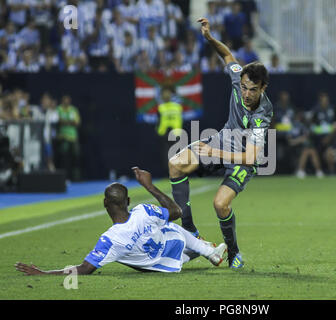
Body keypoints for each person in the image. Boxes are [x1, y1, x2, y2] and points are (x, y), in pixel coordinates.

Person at [168, 17, 273, 269]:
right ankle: (191, 232)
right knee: (176, 164)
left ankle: (234, 251)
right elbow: (227, 55)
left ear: (263, 88)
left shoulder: (263, 113)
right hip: (221, 141)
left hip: (242, 160)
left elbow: (252, 158)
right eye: (245, 88)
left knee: (220, 204)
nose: (247, 94)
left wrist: (213, 151)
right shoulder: (238, 78)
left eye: (253, 90)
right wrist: (209, 37)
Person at [14, 167, 227, 275]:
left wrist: (44, 273)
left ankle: (205, 249)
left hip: (160, 267)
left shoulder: (109, 240)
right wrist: (149, 186)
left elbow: (84, 269)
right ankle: (206, 249)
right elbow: (176, 211)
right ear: (128, 201)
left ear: (105, 204)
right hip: (170, 248)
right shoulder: (143, 210)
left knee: (167, 231)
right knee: (170, 225)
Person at [55, 95, 81, 181]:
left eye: (68, 100)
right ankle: (64, 178)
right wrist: (69, 122)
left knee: (76, 158)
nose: (66, 101)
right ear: (62, 100)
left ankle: (75, 178)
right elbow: (58, 121)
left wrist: (65, 122)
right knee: (64, 159)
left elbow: (77, 123)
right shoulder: (59, 109)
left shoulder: (73, 110)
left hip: (73, 137)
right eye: (65, 100)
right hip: (63, 138)